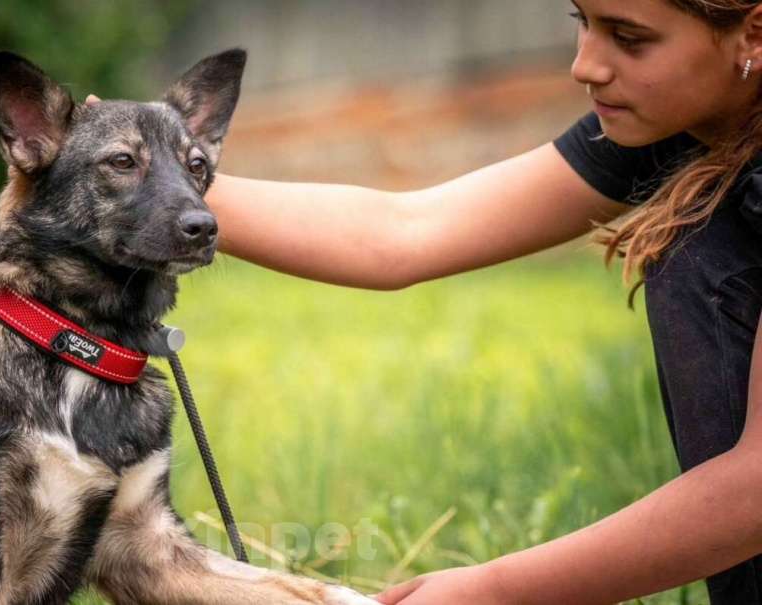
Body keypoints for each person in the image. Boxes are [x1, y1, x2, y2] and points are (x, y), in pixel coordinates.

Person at [193, 1, 762, 603]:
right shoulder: (681, 119)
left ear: (751, 32)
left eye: (629, 37)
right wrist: (140, 177)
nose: (585, 66)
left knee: (702, 261)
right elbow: (405, 231)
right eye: (583, 22)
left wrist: (492, 591)